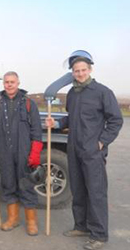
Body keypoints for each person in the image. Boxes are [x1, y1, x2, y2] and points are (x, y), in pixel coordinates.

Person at [46, 50, 123, 250]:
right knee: (78, 189)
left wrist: (102, 142)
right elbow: (71, 118)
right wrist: (55, 122)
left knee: (95, 192)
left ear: (90, 70)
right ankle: (81, 226)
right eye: (76, 71)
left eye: (82, 70)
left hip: (92, 150)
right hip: (74, 147)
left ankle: (99, 234)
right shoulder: (72, 93)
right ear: (72, 72)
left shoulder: (102, 92)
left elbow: (116, 120)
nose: (79, 74)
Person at [0, 71, 43, 235]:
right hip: (5, 152)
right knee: (8, 185)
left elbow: (37, 130)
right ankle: (13, 219)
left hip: (24, 152)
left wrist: (34, 153)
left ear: (18, 83)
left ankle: (31, 222)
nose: (9, 85)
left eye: (12, 82)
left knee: (26, 185)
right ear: (3, 84)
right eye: (6, 82)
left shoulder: (28, 103)